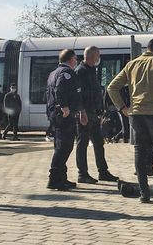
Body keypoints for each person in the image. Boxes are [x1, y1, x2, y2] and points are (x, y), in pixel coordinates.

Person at [107, 38, 153, 205]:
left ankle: (144, 194)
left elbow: (112, 87)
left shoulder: (131, 64)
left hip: (136, 115)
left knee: (140, 153)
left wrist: (123, 108)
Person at [75, 46, 118, 184]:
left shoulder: (92, 70)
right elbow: (78, 94)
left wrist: (100, 111)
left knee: (99, 143)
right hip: (84, 113)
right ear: (91, 56)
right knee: (82, 143)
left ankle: (103, 171)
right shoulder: (80, 71)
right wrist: (82, 111)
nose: (98, 59)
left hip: (93, 113)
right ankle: (82, 173)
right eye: (97, 56)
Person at [46, 49, 84, 191]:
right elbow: (60, 90)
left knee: (60, 146)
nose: (76, 61)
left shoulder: (53, 73)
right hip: (63, 116)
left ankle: (61, 177)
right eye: (75, 59)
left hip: (55, 115)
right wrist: (65, 107)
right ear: (71, 59)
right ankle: (54, 178)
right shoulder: (66, 73)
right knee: (64, 147)